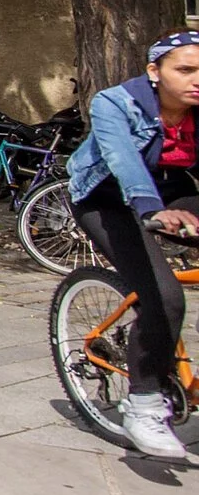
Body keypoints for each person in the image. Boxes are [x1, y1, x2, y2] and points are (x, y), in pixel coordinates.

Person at [67, 31, 199, 462]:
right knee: (165, 299)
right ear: (154, 72)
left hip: (173, 192)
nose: (196, 80)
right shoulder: (114, 103)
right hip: (109, 200)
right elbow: (124, 162)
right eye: (185, 70)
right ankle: (142, 404)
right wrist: (151, 211)